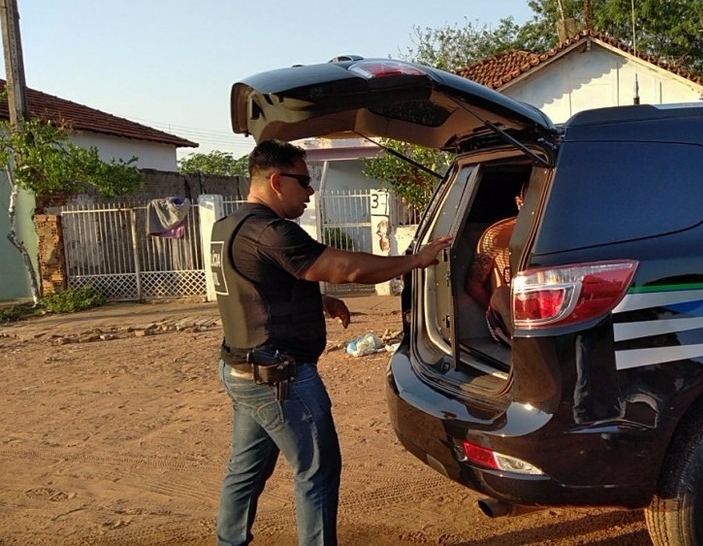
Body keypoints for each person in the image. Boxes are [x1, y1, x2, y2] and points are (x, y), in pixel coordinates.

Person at [210, 139, 451, 546]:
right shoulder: (272, 231)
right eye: (303, 181)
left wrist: (316, 300)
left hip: (243, 368)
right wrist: (413, 260)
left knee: (246, 470)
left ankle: (229, 541)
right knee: (317, 471)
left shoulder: (230, 227)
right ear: (276, 180)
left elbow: (253, 285)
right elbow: (346, 267)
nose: (310, 191)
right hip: (279, 377)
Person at [465, 187, 523, 345]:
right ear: (519, 202)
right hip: (508, 314)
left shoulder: (560, 232)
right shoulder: (496, 236)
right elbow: (474, 286)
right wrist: (499, 311)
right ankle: (523, 344)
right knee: (502, 293)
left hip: (547, 308)